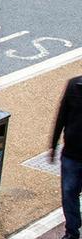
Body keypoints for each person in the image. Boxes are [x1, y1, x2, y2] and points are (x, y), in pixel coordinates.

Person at [52, 76, 82, 239]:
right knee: (69, 193)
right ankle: (72, 231)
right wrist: (53, 144)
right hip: (71, 153)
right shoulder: (74, 86)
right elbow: (61, 116)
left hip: (71, 154)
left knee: (70, 192)